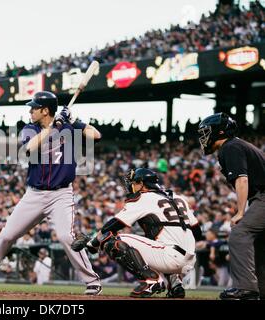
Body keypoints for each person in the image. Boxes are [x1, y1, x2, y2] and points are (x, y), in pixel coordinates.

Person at [0, 91, 103, 295]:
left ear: (45, 110)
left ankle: (92, 280)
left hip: (61, 194)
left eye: (34, 107)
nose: (30, 110)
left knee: (65, 236)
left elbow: (96, 135)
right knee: (6, 236)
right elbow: (30, 148)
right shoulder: (30, 129)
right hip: (35, 194)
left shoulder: (68, 125)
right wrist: (53, 126)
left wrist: (74, 120)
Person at [72, 168, 202, 298]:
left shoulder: (144, 197)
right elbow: (197, 232)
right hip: (189, 260)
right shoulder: (178, 198)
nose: (131, 186)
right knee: (158, 241)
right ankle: (175, 286)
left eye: (134, 183)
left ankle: (151, 280)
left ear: (142, 183)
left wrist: (93, 242)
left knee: (112, 240)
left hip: (170, 257)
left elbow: (114, 225)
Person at [198, 112, 265, 300]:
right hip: (260, 197)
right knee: (258, 243)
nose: (204, 137)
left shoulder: (230, 146)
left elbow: (242, 180)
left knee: (240, 233)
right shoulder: (237, 145)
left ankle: (246, 288)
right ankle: (260, 290)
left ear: (219, 132)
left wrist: (241, 212)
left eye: (206, 132)